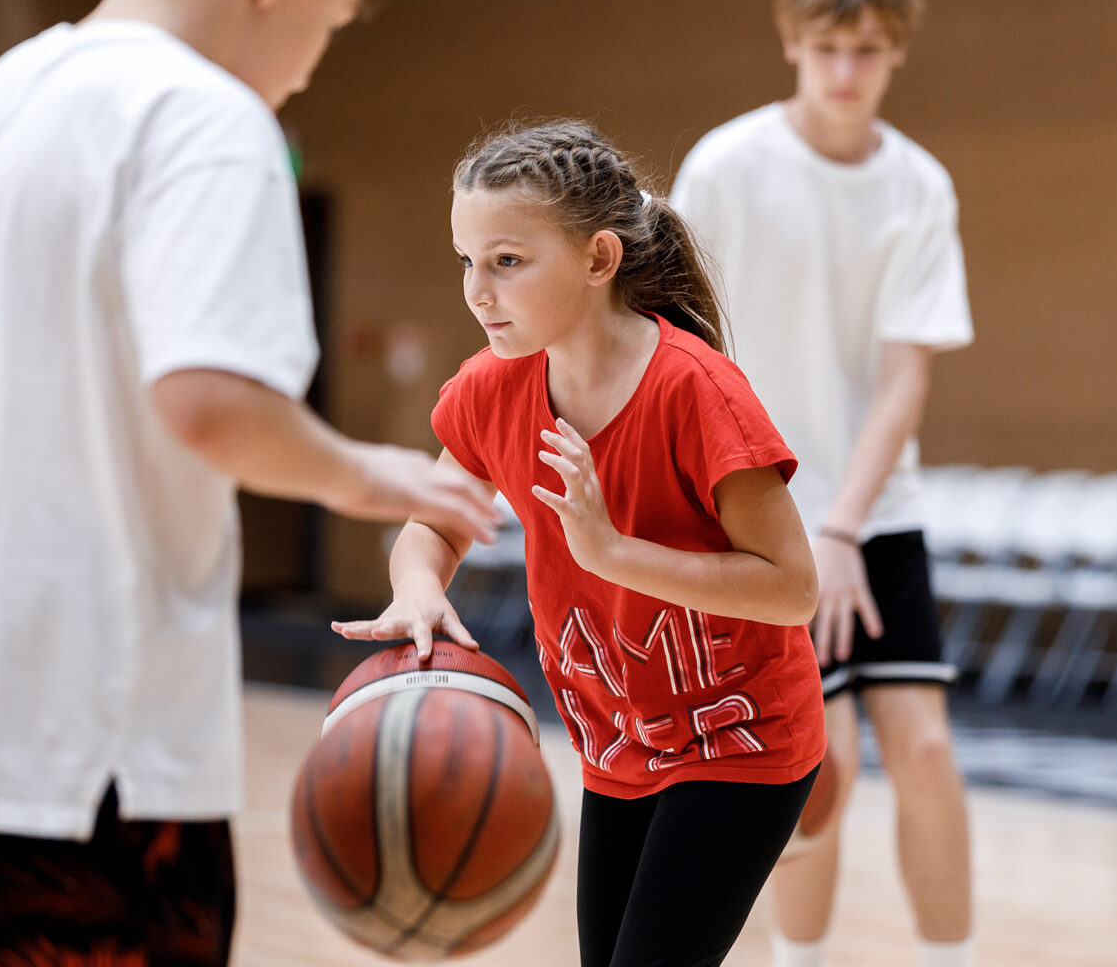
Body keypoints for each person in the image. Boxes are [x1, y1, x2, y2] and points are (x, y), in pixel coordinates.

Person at [0, 0, 499, 965]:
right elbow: (211, 401)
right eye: (328, 28)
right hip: (77, 739)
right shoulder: (204, 114)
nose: (304, 68)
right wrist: (373, 475)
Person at [334, 120, 825, 967]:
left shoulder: (695, 388)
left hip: (741, 741)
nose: (478, 292)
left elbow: (792, 586)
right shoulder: (494, 386)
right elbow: (436, 520)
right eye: (467, 261)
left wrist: (613, 554)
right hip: (618, 744)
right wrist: (417, 584)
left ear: (600, 260)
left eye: (507, 261)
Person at [669, 0, 976, 966]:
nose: (847, 71)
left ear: (897, 55)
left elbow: (904, 377)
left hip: (872, 511)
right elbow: (680, 340)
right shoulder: (725, 166)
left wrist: (843, 523)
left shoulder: (919, 186)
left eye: (870, 52)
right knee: (820, 764)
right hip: (760, 508)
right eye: (830, 47)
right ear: (793, 41)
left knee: (926, 752)